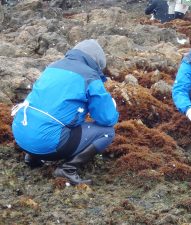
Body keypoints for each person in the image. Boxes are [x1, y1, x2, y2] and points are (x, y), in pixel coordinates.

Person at [11, 39, 119, 185]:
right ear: (96, 63)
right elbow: (107, 119)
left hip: (20, 134)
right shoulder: (90, 77)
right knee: (107, 132)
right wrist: (111, 105)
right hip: (48, 143)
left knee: (45, 115)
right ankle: (67, 169)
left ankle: (32, 157)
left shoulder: (53, 67)